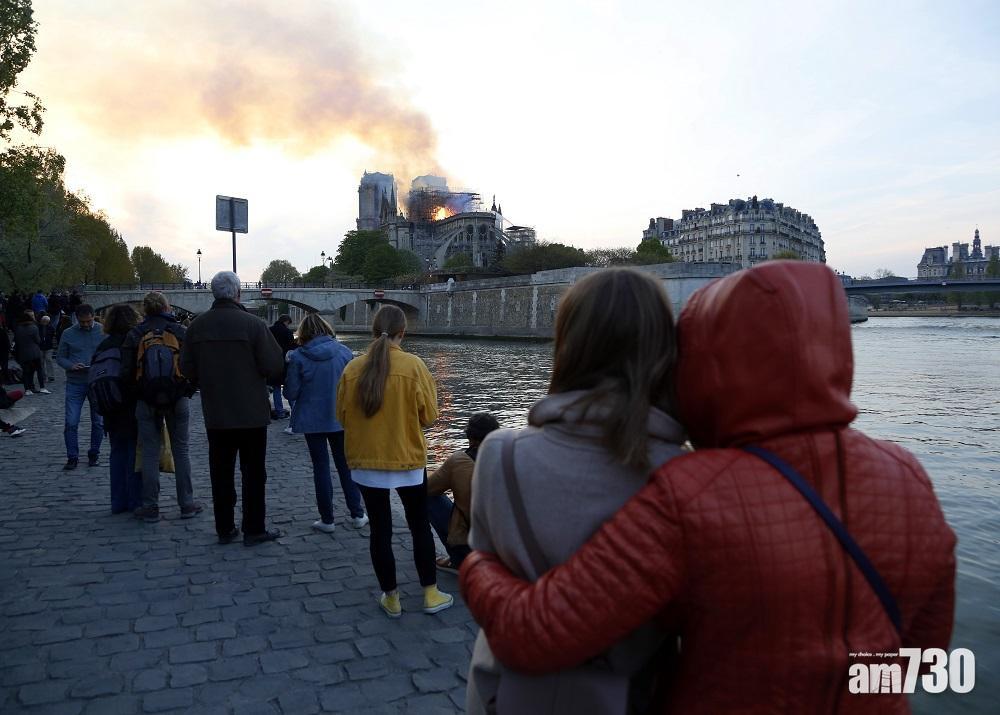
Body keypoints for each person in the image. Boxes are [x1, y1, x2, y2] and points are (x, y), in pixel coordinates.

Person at [460, 261, 958, 714]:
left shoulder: (693, 493)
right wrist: (839, 683)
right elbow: (927, 662)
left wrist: (476, 567)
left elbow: (540, 633)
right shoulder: (908, 475)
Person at [466, 268, 687, 714]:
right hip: (633, 695)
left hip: (511, 691)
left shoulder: (500, 453)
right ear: (664, 350)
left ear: (567, 343)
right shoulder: (687, 475)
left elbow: (487, 565)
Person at [336, 304, 453, 618]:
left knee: (380, 532)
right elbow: (429, 417)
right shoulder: (414, 367)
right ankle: (430, 593)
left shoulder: (351, 368)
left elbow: (342, 416)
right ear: (403, 332)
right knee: (419, 527)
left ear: (374, 330)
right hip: (407, 461)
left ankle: (391, 598)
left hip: (365, 462)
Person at [180, 271, 285, 546]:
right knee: (253, 473)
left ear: (213, 294)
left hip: (217, 413)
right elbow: (274, 366)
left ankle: (224, 528)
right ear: (238, 293)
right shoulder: (253, 325)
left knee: (221, 472)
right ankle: (254, 528)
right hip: (252, 413)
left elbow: (186, 369)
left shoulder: (197, 327)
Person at [121, 292, 202, 523]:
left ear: (145, 310)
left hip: (146, 400)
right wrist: (187, 390)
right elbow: (194, 367)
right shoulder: (180, 332)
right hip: (177, 398)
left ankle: (150, 506)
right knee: (182, 450)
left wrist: (139, 393)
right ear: (167, 307)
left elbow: (126, 372)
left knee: (149, 451)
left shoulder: (136, 334)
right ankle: (186, 504)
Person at [283, 313, 367, 533]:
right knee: (345, 466)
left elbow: (291, 392)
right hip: (341, 419)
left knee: (320, 468)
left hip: (312, 420)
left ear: (304, 333)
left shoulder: (299, 357)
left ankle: (327, 519)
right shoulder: (345, 353)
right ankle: (357, 514)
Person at [427, 412, 500, 574]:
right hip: (505, 548)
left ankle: (458, 560)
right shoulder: (509, 457)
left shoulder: (459, 461)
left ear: (470, 437)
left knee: (429, 498)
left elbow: (427, 489)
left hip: (469, 548)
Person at [94, 304, 143, 514]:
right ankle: (135, 500)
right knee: (134, 453)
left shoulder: (103, 346)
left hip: (110, 406)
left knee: (117, 452)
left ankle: (117, 501)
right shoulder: (134, 342)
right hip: (131, 404)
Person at [56, 304, 105, 469]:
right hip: (75, 382)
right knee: (71, 421)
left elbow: (109, 355)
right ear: (77, 319)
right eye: (82, 322)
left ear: (93, 316)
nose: (86, 325)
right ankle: (72, 457)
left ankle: (94, 453)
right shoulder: (68, 333)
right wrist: (70, 365)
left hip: (96, 382)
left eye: (89, 321)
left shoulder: (102, 331)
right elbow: (60, 357)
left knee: (98, 422)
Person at [268, 315, 296, 420]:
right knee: (290, 388)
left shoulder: (269, 330)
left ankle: (279, 412)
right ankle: (294, 410)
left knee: (276, 388)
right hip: (286, 363)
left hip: (273, 363)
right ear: (286, 321)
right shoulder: (287, 332)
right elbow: (292, 348)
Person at [14, 310, 48, 395]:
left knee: (26, 372)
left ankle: (28, 389)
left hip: (23, 353)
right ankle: (42, 387)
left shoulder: (18, 329)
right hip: (35, 352)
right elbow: (38, 340)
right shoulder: (33, 327)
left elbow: (17, 341)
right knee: (39, 369)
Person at [39, 314, 56, 383]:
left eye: (46, 321)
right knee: (41, 362)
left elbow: (53, 337)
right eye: (44, 321)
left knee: (49, 360)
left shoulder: (51, 328)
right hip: (40, 346)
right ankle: (43, 376)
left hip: (49, 347)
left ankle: (51, 376)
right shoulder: (38, 327)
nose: (45, 322)